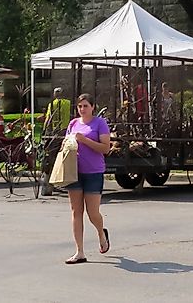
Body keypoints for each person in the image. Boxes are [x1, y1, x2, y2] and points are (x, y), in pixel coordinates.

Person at [63, 93, 111, 264]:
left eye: (85, 106)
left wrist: (84, 140)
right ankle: (79, 251)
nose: (82, 109)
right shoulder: (73, 123)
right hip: (74, 172)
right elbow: (67, 143)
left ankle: (101, 233)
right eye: (80, 106)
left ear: (93, 107)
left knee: (92, 213)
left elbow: (105, 148)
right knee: (76, 212)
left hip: (94, 172)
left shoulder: (100, 123)